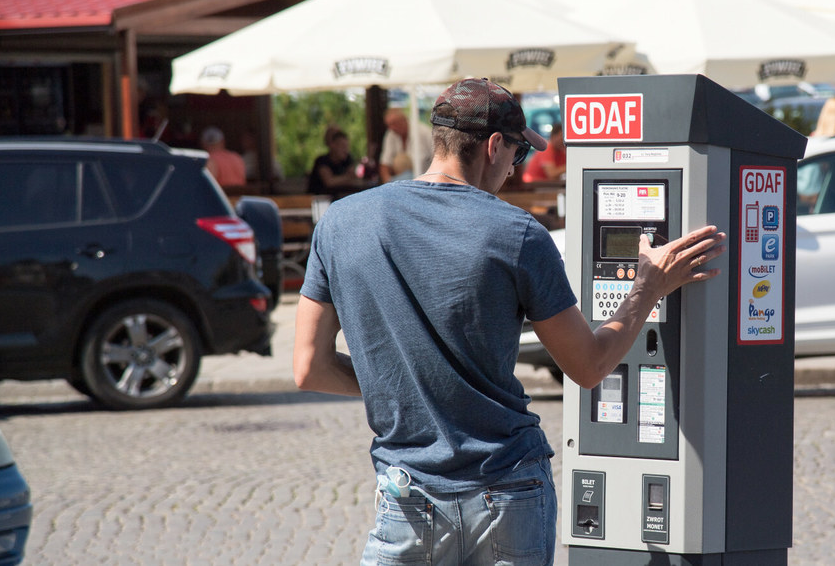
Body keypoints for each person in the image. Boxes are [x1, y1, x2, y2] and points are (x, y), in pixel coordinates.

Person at [293, 77, 725, 565]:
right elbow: (587, 367)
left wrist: (403, 384)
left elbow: (309, 367)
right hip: (507, 489)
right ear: (494, 146)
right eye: (517, 155)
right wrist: (649, 287)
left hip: (406, 499)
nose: (516, 173)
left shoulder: (341, 222)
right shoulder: (516, 233)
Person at [379, 107, 434, 184]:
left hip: (424, 182)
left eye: (394, 123)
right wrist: (387, 182)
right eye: (389, 125)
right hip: (401, 184)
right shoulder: (390, 134)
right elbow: (385, 162)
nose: (392, 128)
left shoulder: (425, 133)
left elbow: (438, 159)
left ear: (404, 120)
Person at [307, 126, 363, 195]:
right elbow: (329, 182)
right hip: (319, 201)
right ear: (332, 145)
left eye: (347, 147)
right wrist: (347, 177)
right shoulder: (322, 161)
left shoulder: (347, 160)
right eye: (343, 146)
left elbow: (353, 177)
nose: (346, 150)